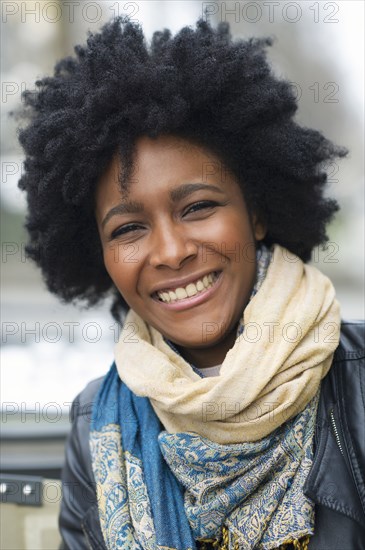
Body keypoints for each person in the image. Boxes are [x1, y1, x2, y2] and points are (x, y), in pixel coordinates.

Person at [16, 16, 364, 550]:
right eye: (129, 228)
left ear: (257, 213)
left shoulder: (358, 385)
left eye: (198, 207)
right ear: (99, 253)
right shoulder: (94, 425)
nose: (172, 251)